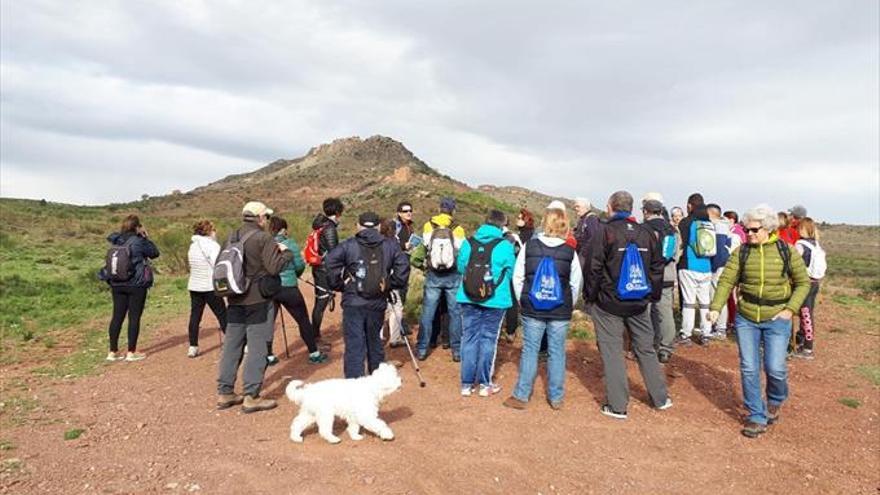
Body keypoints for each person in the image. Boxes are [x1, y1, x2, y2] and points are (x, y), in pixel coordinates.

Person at [708, 204, 810, 438]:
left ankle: (775, 399)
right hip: (747, 318)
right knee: (749, 367)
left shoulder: (786, 251)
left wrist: (790, 310)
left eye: (754, 230)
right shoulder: (742, 252)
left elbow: (803, 283)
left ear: (768, 228)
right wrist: (716, 307)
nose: (749, 234)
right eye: (747, 229)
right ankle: (756, 415)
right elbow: (726, 282)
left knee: (775, 368)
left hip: (777, 317)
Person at [586, 191, 671, 419]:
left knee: (613, 351)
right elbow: (656, 266)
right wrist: (651, 297)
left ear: (610, 206)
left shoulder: (605, 232)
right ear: (632, 209)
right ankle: (661, 398)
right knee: (646, 349)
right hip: (639, 302)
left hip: (609, 303)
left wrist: (591, 297)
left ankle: (617, 405)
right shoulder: (646, 233)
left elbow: (593, 268)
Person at [217, 201, 292, 413]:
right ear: (260, 218)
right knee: (258, 346)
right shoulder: (263, 237)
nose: (267, 221)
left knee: (232, 345)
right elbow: (274, 266)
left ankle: (225, 392)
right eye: (266, 217)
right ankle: (251, 395)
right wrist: (285, 253)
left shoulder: (231, 237)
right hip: (258, 299)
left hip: (234, 298)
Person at [504, 208, 581, 410]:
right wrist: (568, 305)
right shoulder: (569, 251)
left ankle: (521, 395)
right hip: (560, 311)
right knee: (557, 352)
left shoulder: (530, 247)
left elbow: (517, 277)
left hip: (533, 308)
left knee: (530, 350)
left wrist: (524, 301)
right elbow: (575, 284)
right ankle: (556, 398)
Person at [325, 212, 410, 378]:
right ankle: (376, 382)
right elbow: (403, 268)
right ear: (378, 226)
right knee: (374, 343)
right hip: (377, 301)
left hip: (353, 302)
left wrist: (339, 285)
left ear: (358, 225)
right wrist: (390, 284)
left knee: (355, 345)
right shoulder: (390, 245)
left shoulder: (349, 245)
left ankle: (354, 386)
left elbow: (329, 262)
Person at [456, 210, 516, 397]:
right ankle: (484, 384)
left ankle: (466, 385)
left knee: (469, 337)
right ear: (502, 225)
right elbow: (512, 271)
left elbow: (460, 267)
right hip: (496, 300)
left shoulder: (468, 243)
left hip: (468, 297)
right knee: (489, 339)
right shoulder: (505, 246)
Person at [270, 217, 328, 365]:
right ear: (283, 229)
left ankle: (269, 355)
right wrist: (294, 275)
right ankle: (314, 353)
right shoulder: (290, 243)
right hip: (288, 287)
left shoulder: (265, 243)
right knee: (302, 320)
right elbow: (299, 266)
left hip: (269, 288)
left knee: (268, 322)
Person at [103, 215, 160, 362]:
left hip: (117, 283)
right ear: (137, 227)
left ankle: (112, 352)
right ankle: (131, 352)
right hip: (136, 284)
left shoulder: (117, 240)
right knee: (134, 317)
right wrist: (146, 237)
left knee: (117, 316)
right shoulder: (139, 241)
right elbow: (155, 253)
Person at [416, 197, 467, 361]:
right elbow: (462, 253)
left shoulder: (428, 225)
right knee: (455, 313)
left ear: (440, 209)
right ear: (453, 210)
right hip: (453, 276)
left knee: (428, 312)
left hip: (433, 275)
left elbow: (425, 247)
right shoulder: (458, 228)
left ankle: (422, 348)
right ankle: (457, 350)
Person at [641, 199, 678, 363]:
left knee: (644, 313)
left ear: (646, 211)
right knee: (665, 313)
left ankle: (645, 347)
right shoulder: (672, 229)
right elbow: (676, 253)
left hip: (647, 275)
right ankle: (665, 348)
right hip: (667, 275)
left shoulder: (643, 229)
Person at [676, 193, 714, 345]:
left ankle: (686, 334)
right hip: (706, 266)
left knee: (689, 302)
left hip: (689, 265)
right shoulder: (709, 222)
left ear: (690, 206)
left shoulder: (686, 222)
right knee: (705, 302)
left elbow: (681, 244)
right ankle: (706, 333)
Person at [186, 220, 227, 358]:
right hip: (210, 286)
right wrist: (224, 287)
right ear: (209, 231)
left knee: (195, 316)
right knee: (222, 314)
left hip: (195, 285)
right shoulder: (212, 245)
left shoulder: (193, 246)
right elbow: (219, 266)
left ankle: (193, 346)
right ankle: (236, 343)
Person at [309, 198, 344, 351]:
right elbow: (334, 251)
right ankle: (315, 338)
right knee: (321, 303)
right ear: (337, 211)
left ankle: (315, 335)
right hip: (324, 270)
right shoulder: (329, 228)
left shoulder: (321, 225)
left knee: (320, 302)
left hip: (319, 268)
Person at [793, 218, 824, 359]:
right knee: (807, 313)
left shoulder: (800, 245)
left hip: (803, 283)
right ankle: (804, 344)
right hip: (815, 283)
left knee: (804, 314)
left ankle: (806, 348)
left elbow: (793, 262)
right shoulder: (816, 244)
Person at [707, 203, 733, 339]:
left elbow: (720, 250)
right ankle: (719, 327)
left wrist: (713, 267)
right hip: (724, 264)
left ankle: (719, 328)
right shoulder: (725, 225)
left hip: (718, 266)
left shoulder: (718, 226)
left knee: (716, 297)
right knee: (719, 297)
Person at [380, 218, 407, 348]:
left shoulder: (374, 242)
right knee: (396, 307)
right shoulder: (392, 244)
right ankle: (395, 337)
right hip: (389, 280)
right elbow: (401, 264)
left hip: (375, 280)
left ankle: (378, 336)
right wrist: (396, 281)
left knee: (379, 308)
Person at [501, 221, 523, 343]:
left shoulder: (491, 235)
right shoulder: (514, 237)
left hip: (494, 274)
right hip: (511, 272)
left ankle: (496, 331)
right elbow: (520, 254)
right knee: (512, 302)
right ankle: (510, 331)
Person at [572, 198, 600, 270]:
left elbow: (593, 237)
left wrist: (583, 253)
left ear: (585, 207)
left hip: (585, 258)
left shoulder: (591, 219)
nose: (576, 209)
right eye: (575, 207)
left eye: (578, 206)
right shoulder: (583, 219)